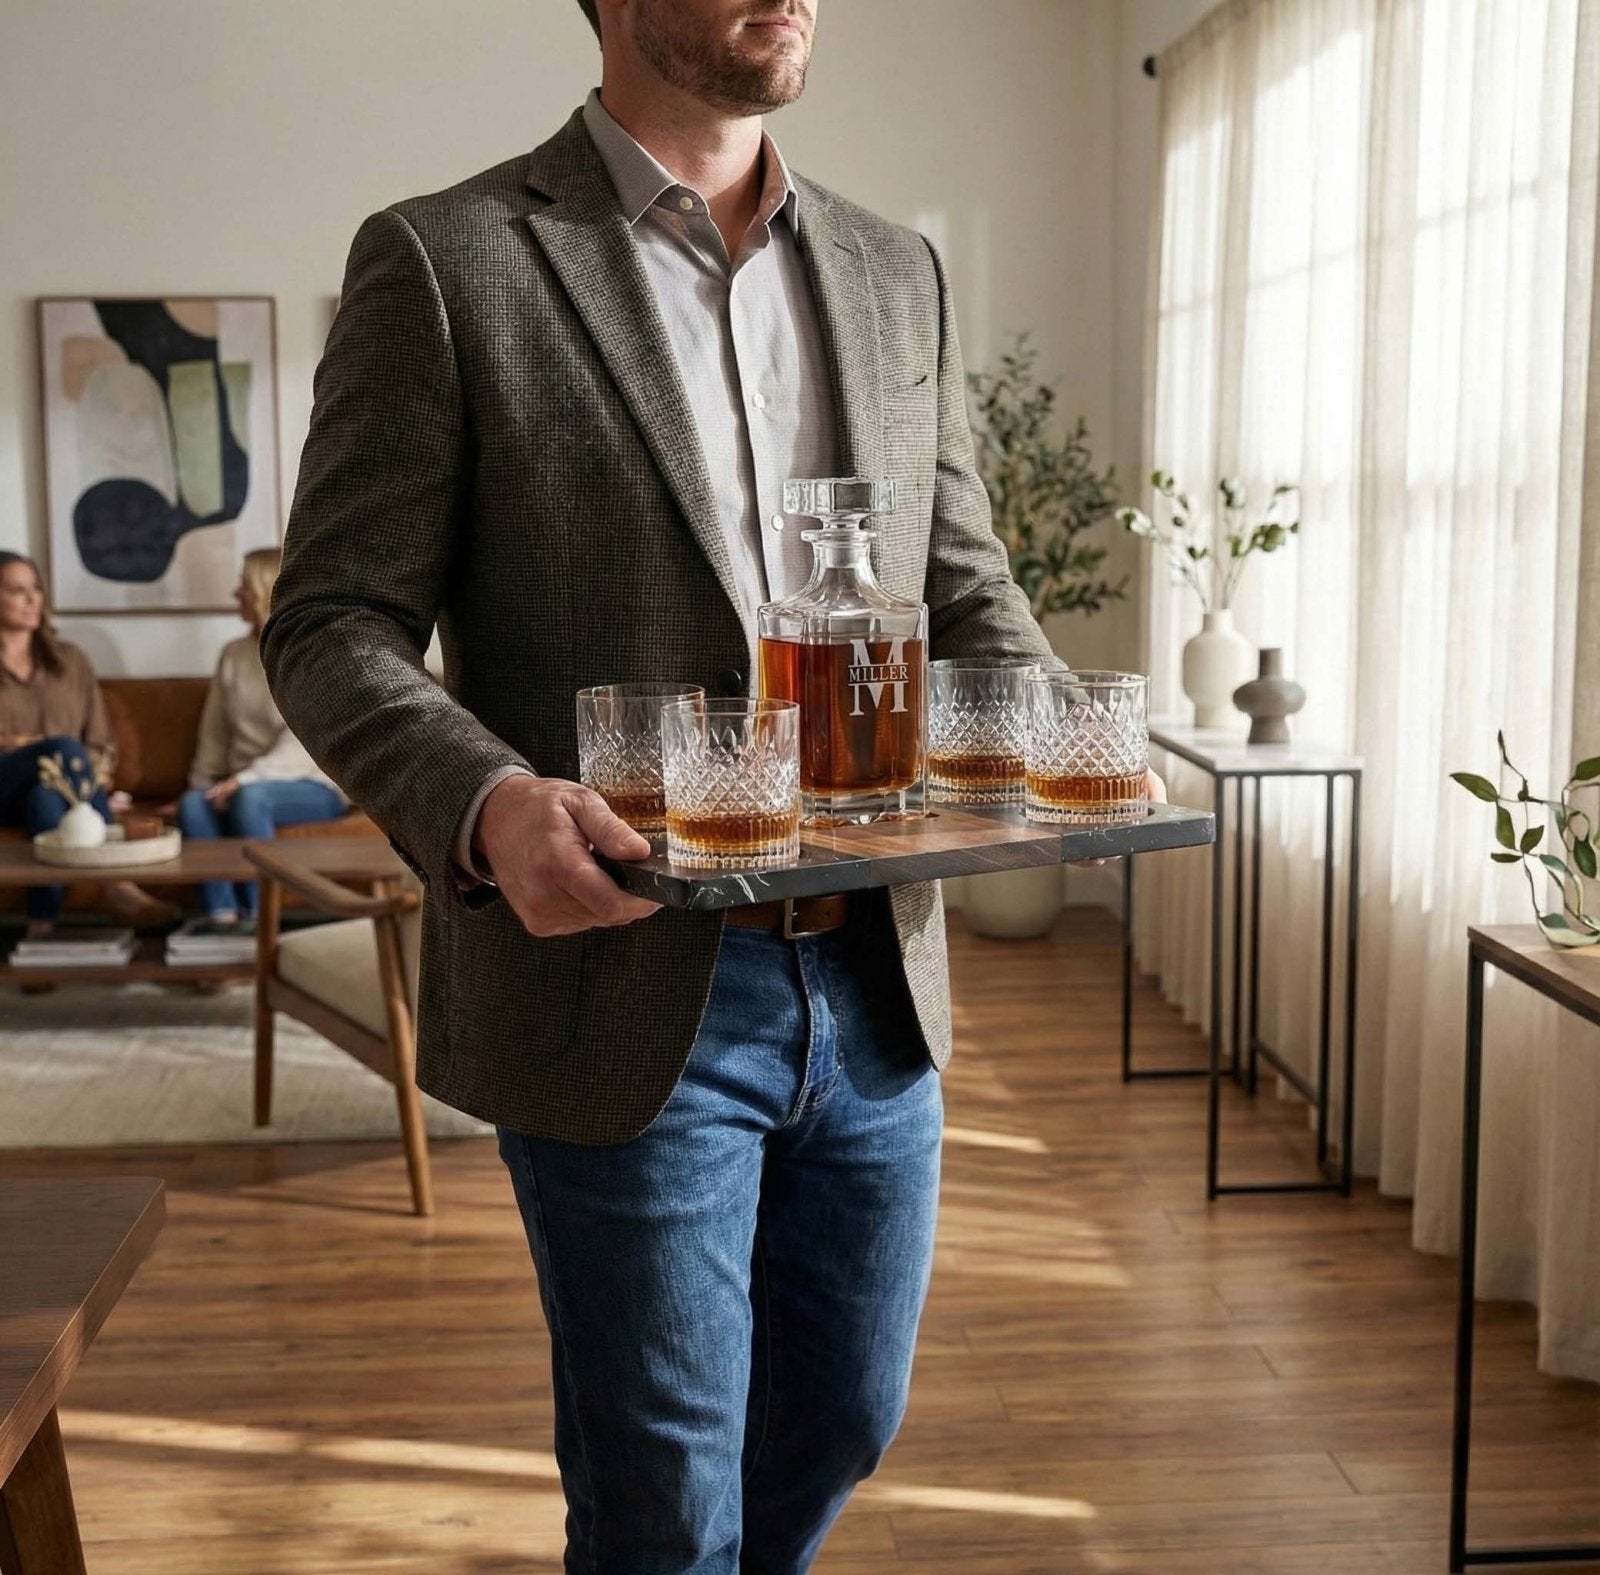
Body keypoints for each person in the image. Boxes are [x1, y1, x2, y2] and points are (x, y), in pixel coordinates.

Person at [263, 2, 1166, 1567]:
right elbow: (334, 621)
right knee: (667, 1500)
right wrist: (487, 802)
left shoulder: (899, 271)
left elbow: (966, 586)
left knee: (840, 1421)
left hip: (880, 983)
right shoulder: (449, 258)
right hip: (633, 985)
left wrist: (1066, 730)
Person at [0, 550, 175, 934]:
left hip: (58, 788)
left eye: (36, 590)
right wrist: (29, 745)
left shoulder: (69, 661)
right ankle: (117, 883)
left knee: (44, 797)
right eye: (17, 590)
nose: (32, 600)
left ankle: (40, 931)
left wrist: (85, 774)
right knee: (61, 747)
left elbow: (97, 739)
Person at [177, 548, 346, 925]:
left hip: (308, 783)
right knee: (191, 805)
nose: (236, 593)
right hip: (240, 782)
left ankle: (260, 919)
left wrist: (243, 780)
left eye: (243, 584)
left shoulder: (308, 652)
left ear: (267, 587)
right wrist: (203, 785)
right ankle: (221, 918)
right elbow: (215, 733)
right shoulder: (233, 656)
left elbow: (303, 740)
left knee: (251, 799)